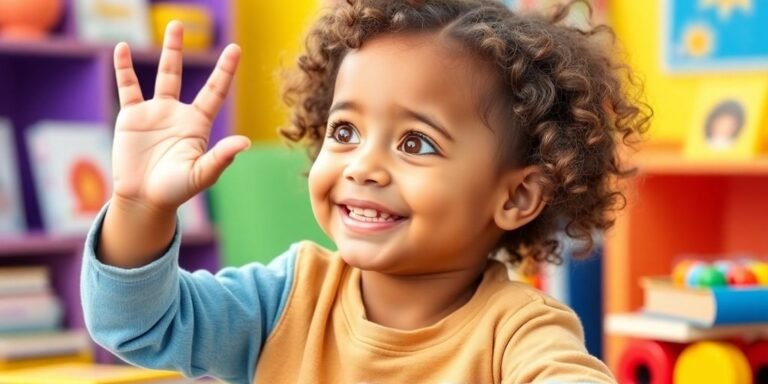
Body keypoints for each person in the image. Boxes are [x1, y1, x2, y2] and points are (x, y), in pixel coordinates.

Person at [81, 1, 651, 383]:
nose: (364, 166)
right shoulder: (286, 299)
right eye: (345, 131)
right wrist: (140, 206)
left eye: (416, 143)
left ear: (517, 197)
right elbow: (138, 323)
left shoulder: (519, 331)